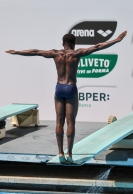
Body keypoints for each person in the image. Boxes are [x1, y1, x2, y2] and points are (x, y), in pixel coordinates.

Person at [6, 31, 127, 163]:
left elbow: (35, 51)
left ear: (63, 44)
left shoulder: (55, 53)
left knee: (59, 122)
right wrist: (115, 40)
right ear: (74, 44)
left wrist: (17, 52)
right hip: (71, 88)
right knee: (71, 122)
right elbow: (98, 46)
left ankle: (60, 153)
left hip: (59, 88)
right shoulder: (76, 53)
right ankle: (69, 154)